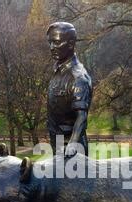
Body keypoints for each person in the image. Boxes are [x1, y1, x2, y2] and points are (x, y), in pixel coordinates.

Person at [47, 22, 92, 157]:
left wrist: (72, 144)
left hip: (72, 150)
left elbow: (81, 116)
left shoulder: (78, 77)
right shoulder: (58, 71)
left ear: (71, 44)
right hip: (57, 144)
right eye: (50, 42)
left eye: (56, 42)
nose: (52, 47)